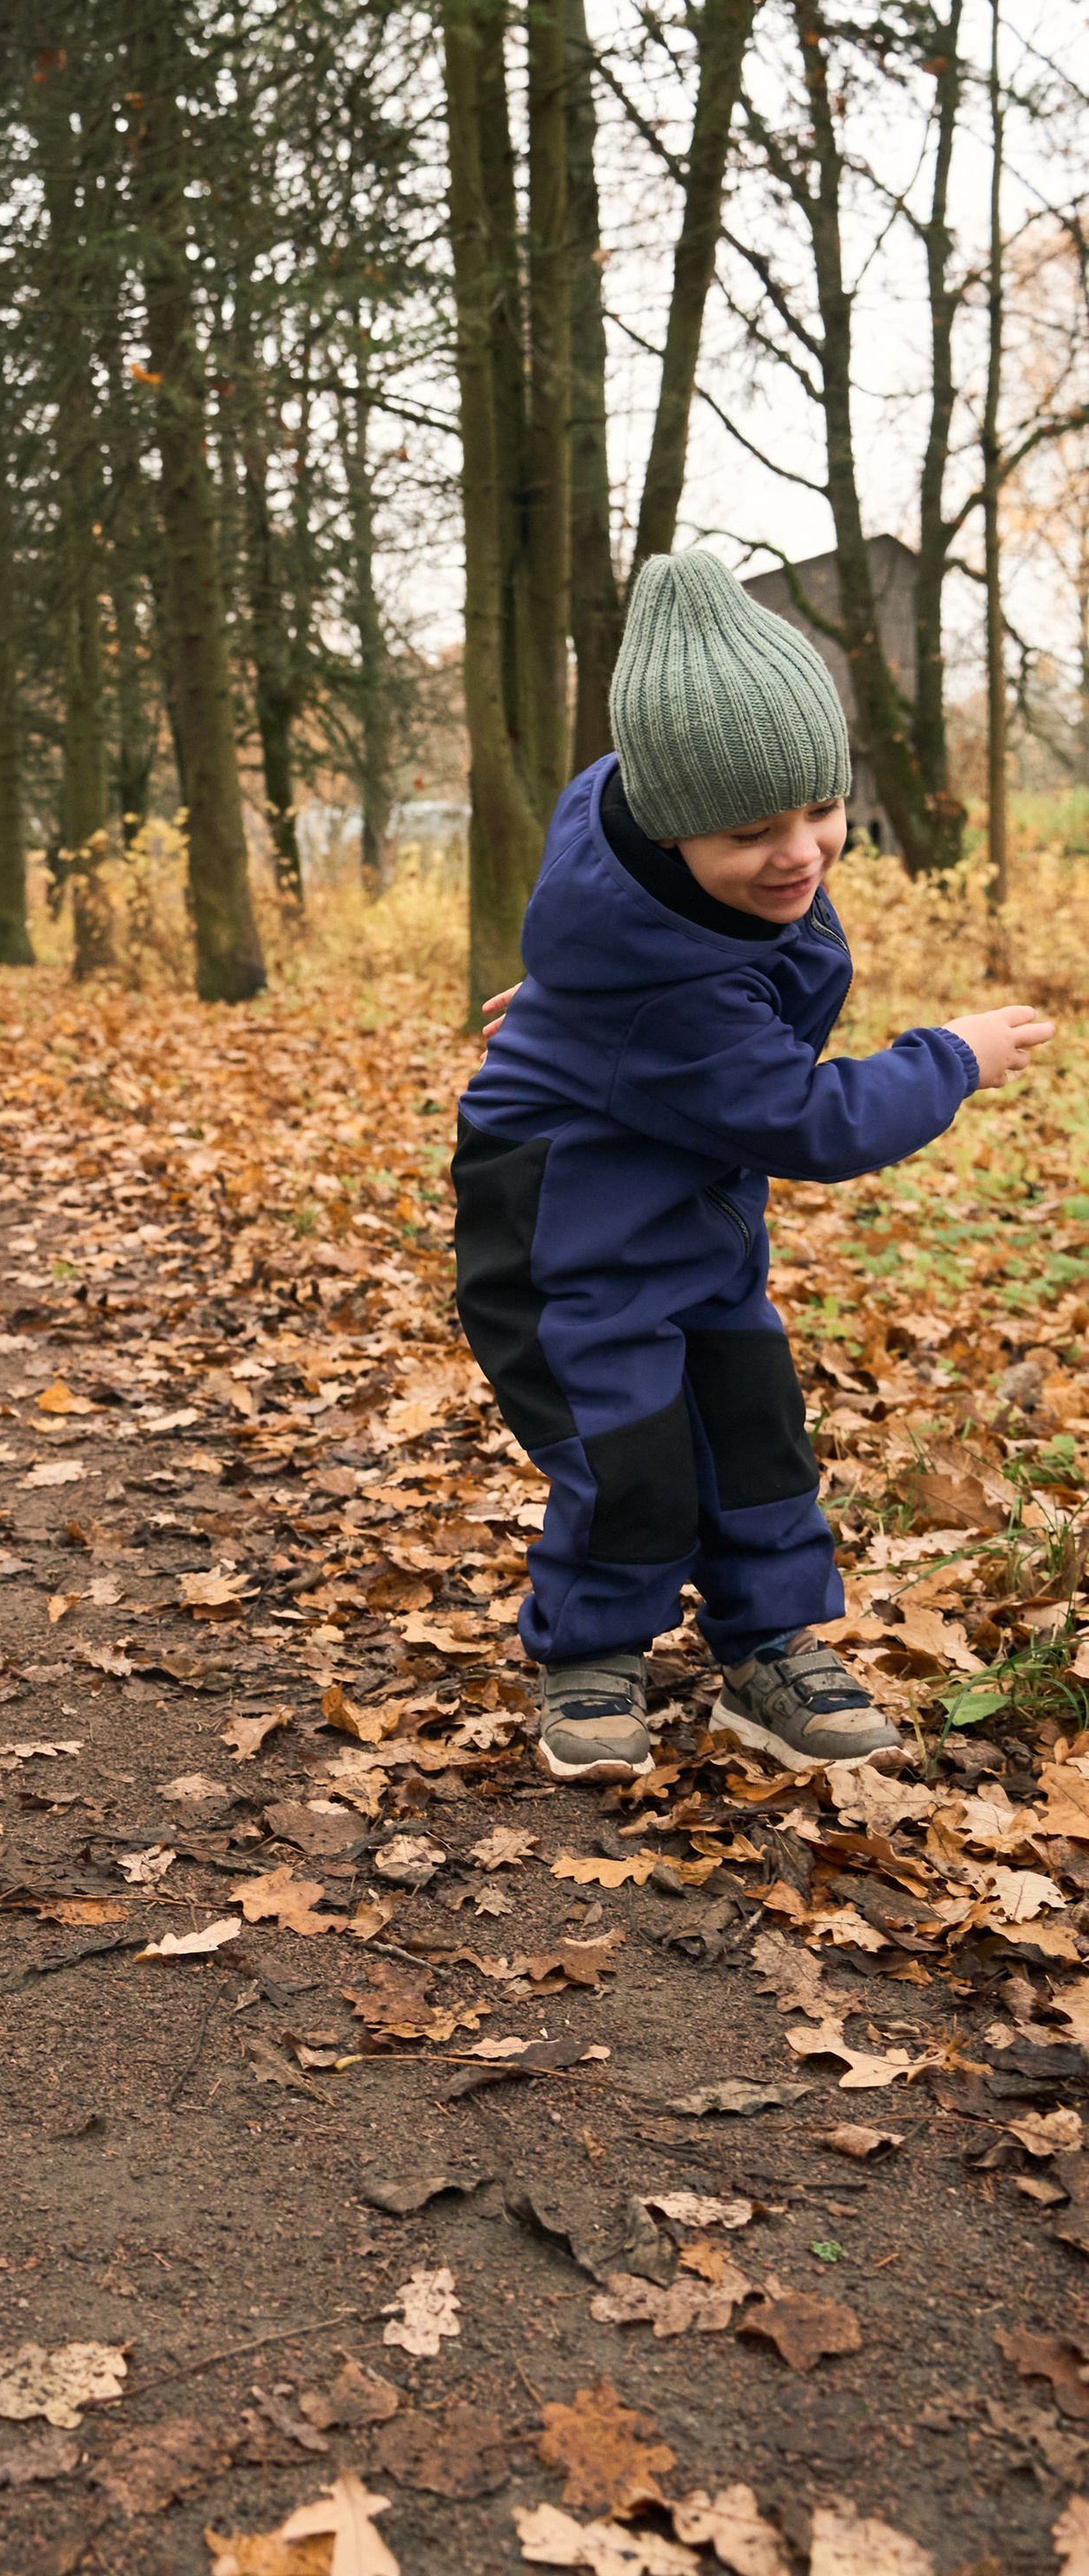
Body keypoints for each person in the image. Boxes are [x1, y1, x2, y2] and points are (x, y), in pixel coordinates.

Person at [455, 548, 1051, 1783]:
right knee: (628, 1456)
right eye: (752, 832)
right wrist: (951, 1056)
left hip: (686, 1219)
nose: (801, 852)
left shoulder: (664, 855)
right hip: (567, 1247)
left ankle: (767, 1647)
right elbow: (810, 1123)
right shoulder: (674, 989)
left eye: (820, 811)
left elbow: (631, 942)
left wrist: (582, 1004)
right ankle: (592, 1656)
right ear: (671, 827)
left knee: (753, 1434)